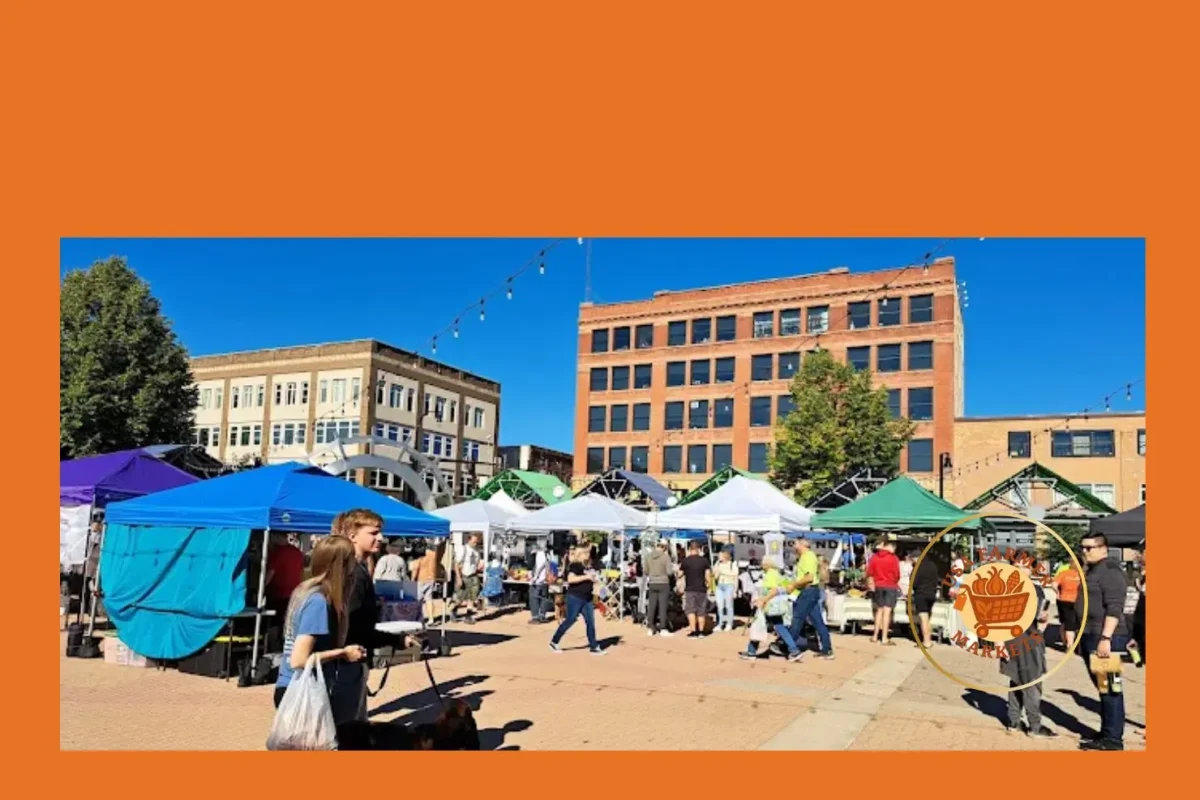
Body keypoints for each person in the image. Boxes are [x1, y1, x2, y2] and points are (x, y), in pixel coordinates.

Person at [274, 535, 367, 722]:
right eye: (351, 560)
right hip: (302, 690)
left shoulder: (305, 591)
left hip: (296, 687)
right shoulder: (317, 602)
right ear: (341, 565)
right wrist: (343, 653)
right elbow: (299, 660)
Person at [1075, 532, 1130, 751]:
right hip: (1092, 635)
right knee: (1104, 687)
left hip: (1106, 637)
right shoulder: (1093, 571)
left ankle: (1113, 739)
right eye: (1083, 547)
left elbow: (1115, 607)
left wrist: (1106, 638)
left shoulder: (1110, 571)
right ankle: (1108, 731)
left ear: (1103, 549)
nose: (1085, 551)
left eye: (1090, 548)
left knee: (1111, 688)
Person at [332, 508, 385, 724]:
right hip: (348, 661)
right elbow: (350, 622)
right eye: (373, 533)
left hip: (353, 658)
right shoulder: (352, 572)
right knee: (348, 729)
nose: (380, 538)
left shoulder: (357, 568)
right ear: (352, 536)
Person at [1000, 582, 1056, 738]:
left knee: (1016, 681)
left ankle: (1014, 722)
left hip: (1021, 639)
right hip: (1023, 642)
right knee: (1031, 683)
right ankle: (1034, 726)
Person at [740, 557, 802, 662]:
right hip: (775, 606)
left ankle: (751, 652)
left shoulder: (770, 574)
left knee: (758, 625)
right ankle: (793, 650)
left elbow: (772, 590)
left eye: (763, 562)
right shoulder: (776, 573)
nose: (761, 564)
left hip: (770, 606)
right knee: (777, 626)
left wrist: (762, 600)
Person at [548, 546, 606, 655]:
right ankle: (554, 641)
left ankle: (593, 646)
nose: (588, 555)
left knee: (590, 622)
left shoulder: (589, 566)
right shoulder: (575, 566)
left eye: (588, 553)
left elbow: (592, 577)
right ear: (580, 555)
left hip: (587, 597)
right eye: (585, 553)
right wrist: (586, 577)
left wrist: (595, 580)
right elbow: (570, 579)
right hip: (575, 597)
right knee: (571, 619)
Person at [785, 537, 834, 659]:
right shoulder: (805, 557)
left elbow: (809, 577)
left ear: (802, 545)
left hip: (808, 591)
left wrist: (793, 585)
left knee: (797, 618)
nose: (793, 546)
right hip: (809, 591)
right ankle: (827, 649)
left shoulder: (808, 556)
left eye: (795, 543)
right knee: (817, 621)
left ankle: (787, 645)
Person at [866, 538, 901, 645]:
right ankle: (884, 637)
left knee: (879, 610)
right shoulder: (894, 558)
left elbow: (869, 572)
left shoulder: (874, 557)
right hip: (890, 586)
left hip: (878, 586)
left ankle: (875, 636)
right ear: (890, 546)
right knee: (887, 612)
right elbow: (897, 574)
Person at [678, 540, 713, 638]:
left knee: (691, 610)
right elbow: (707, 576)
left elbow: (679, 574)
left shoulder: (686, 561)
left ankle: (694, 631)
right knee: (701, 611)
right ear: (699, 549)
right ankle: (701, 632)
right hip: (701, 588)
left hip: (690, 589)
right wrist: (710, 586)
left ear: (689, 549)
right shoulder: (704, 561)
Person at [910, 548, 941, 648]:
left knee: (923, 618)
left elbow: (913, 582)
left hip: (921, 594)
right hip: (932, 594)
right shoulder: (933, 565)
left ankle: (926, 641)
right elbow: (937, 579)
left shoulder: (917, 567)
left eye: (913, 558)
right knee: (928, 618)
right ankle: (929, 639)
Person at [644, 539, 674, 636]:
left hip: (652, 582)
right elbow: (669, 572)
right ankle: (662, 628)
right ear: (664, 547)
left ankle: (650, 627)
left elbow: (645, 571)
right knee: (663, 606)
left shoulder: (648, 556)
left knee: (652, 606)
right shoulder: (666, 557)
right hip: (663, 583)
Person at [1052, 560, 1083, 652]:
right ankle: (1077, 644)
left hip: (1064, 600)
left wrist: (1057, 592)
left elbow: (1054, 584)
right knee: (1077, 623)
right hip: (1078, 601)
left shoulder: (1063, 573)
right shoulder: (1083, 575)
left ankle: (1068, 644)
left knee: (1066, 623)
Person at [455, 534, 484, 623]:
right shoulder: (463, 549)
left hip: (473, 576)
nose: (475, 543)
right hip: (464, 575)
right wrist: (459, 578)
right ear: (469, 540)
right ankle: (453, 610)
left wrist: (479, 567)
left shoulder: (477, 552)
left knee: (472, 597)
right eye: (474, 541)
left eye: (477, 542)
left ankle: (468, 616)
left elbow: (477, 563)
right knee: (460, 598)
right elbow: (456, 564)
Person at [410, 540, 441, 623]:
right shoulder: (433, 553)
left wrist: (412, 580)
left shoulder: (419, 554)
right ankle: (431, 618)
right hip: (431, 578)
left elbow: (415, 569)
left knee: (418, 600)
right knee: (429, 599)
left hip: (421, 579)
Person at [713, 547, 739, 632]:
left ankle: (729, 623)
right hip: (720, 586)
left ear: (725, 556)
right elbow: (715, 576)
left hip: (729, 585)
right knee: (720, 606)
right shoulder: (719, 564)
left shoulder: (732, 564)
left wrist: (735, 590)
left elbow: (735, 576)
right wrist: (716, 565)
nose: (719, 557)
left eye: (720, 556)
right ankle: (720, 624)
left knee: (729, 606)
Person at [528, 540, 551, 624]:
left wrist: (534, 578)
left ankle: (535, 617)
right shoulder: (547, 554)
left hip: (536, 581)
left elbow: (531, 568)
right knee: (544, 598)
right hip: (546, 580)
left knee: (534, 598)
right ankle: (542, 615)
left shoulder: (535, 555)